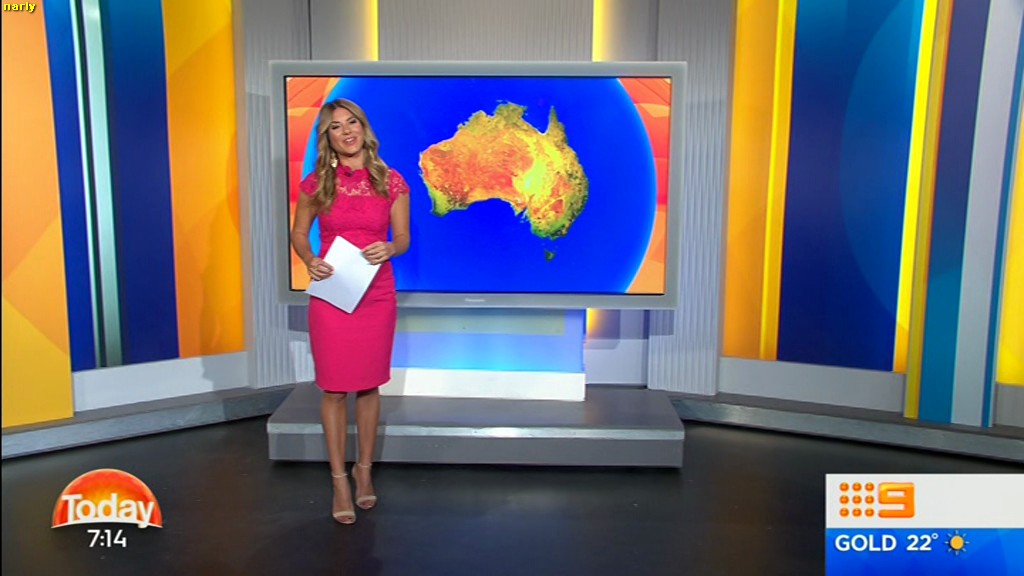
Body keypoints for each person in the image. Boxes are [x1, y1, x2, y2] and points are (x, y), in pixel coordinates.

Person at [290, 98, 411, 525]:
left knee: (369, 385)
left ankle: (364, 472)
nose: (347, 131)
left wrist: (390, 247)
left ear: (364, 127)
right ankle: (339, 479)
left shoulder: (391, 181)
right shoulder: (316, 184)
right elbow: (299, 233)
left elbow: (403, 238)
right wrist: (309, 259)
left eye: (352, 122)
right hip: (333, 294)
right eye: (336, 126)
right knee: (334, 388)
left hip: (376, 293)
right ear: (327, 137)